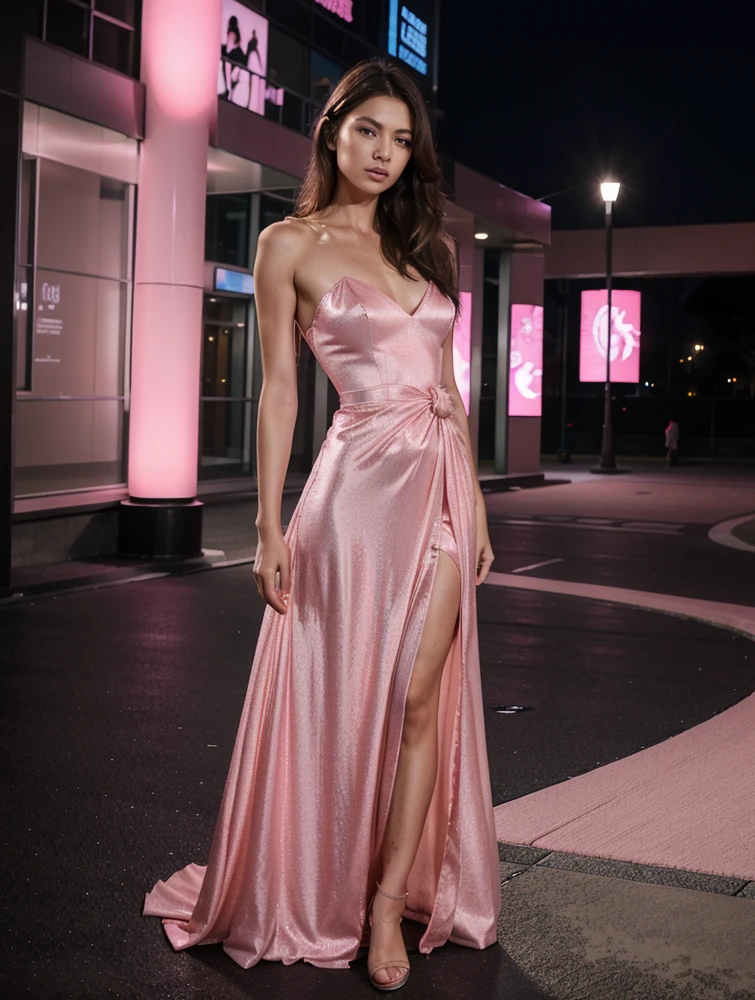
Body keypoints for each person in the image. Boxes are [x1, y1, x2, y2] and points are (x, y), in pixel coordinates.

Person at [143, 57, 500, 991]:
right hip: (349, 502)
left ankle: (386, 903)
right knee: (345, 698)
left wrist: (480, 506)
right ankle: (318, 880)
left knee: (422, 697)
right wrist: (267, 527)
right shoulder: (287, 245)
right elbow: (278, 395)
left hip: (441, 493)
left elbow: (451, 392)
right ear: (332, 132)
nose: (385, 153)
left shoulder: (430, 248)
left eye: (402, 138)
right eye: (369, 131)